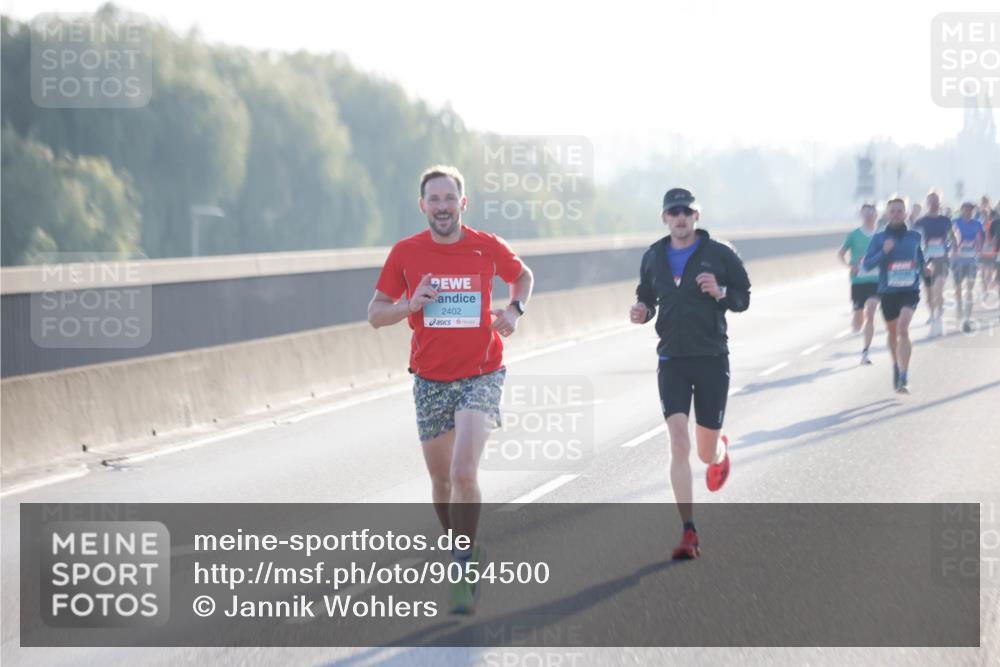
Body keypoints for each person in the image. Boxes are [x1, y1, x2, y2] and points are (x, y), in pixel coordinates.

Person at [367, 165, 534, 613]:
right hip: (429, 379)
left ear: (464, 203)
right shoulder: (406, 253)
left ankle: (462, 567)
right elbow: (375, 313)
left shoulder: (485, 246)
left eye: (449, 198)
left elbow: (523, 276)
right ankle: (462, 551)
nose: (442, 207)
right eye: (433, 200)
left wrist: (515, 311)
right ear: (423, 206)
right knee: (441, 482)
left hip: (481, 373)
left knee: (463, 473)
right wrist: (409, 305)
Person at [631, 187, 751, 559]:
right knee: (678, 441)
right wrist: (641, 310)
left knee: (704, 452)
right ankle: (688, 531)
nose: (680, 218)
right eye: (673, 212)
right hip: (672, 361)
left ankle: (720, 453)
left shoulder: (720, 254)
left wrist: (721, 292)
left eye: (686, 211)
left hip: (712, 358)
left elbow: (743, 297)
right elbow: (647, 295)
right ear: (665, 218)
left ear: (696, 216)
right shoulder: (654, 256)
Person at [862, 197, 928, 393]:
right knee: (892, 334)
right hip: (888, 291)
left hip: (909, 290)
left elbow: (921, 258)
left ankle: (904, 376)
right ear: (887, 214)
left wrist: (926, 268)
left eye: (900, 210)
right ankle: (896, 366)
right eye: (893, 211)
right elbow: (867, 265)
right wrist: (883, 251)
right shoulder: (879, 239)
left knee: (903, 329)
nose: (896, 214)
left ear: (906, 213)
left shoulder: (915, 237)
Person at [838, 203, 880, 363]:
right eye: (866, 213)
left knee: (871, 311)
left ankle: (865, 352)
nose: (869, 215)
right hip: (858, 281)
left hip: (876, 281)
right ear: (862, 215)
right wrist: (850, 265)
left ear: (876, 215)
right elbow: (841, 254)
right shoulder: (854, 235)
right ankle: (856, 321)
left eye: (871, 212)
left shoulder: (881, 235)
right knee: (858, 321)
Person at [913, 191, 955, 337]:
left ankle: (939, 317)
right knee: (929, 291)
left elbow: (952, 237)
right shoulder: (920, 222)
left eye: (936, 201)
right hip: (926, 261)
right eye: (931, 201)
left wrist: (954, 248)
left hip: (942, 259)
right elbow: (914, 241)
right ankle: (933, 313)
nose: (934, 204)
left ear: (940, 202)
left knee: (939, 286)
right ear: (927, 203)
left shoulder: (945, 220)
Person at [951, 202, 985, 333]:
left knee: (970, 289)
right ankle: (959, 305)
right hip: (957, 261)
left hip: (971, 261)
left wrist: (978, 247)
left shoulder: (977, 224)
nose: (968, 212)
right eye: (966, 210)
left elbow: (980, 240)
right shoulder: (955, 223)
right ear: (961, 210)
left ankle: (967, 319)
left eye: (970, 210)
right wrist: (955, 245)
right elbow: (951, 238)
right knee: (958, 289)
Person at [979, 196, 996, 298]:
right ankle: (984, 290)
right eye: (983, 202)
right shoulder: (978, 216)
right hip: (982, 247)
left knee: (989, 270)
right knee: (982, 270)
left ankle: (988, 286)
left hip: (991, 247)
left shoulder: (994, 216)